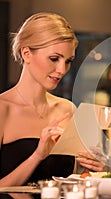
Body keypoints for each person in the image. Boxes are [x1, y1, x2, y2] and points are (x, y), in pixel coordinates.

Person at [0, 12, 104, 187]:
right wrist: (37, 156)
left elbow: (75, 182)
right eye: (54, 59)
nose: (62, 69)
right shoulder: (3, 109)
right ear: (26, 53)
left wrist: (97, 171)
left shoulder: (67, 109)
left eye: (68, 61)